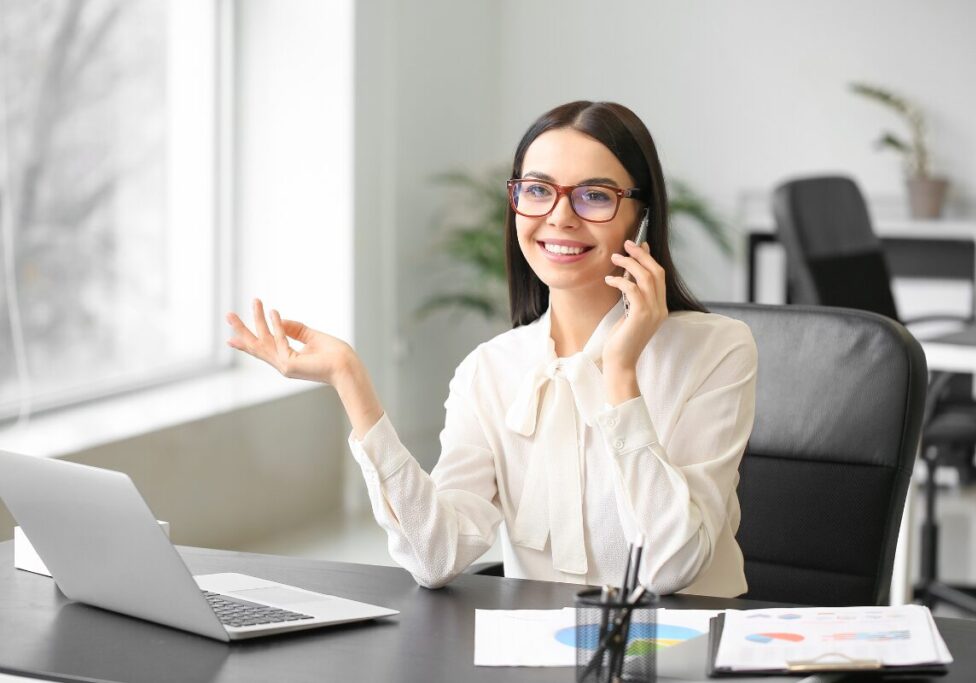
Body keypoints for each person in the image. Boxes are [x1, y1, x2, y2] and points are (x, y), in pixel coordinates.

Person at [226, 101, 757, 597]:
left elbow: (670, 567)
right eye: (538, 190)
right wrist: (349, 380)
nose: (560, 216)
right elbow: (436, 555)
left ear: (640, 217)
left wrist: (620, 375)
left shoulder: (717, 350)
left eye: (595, 195)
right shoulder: (492, 370)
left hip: (682, 657)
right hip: (543, 656)